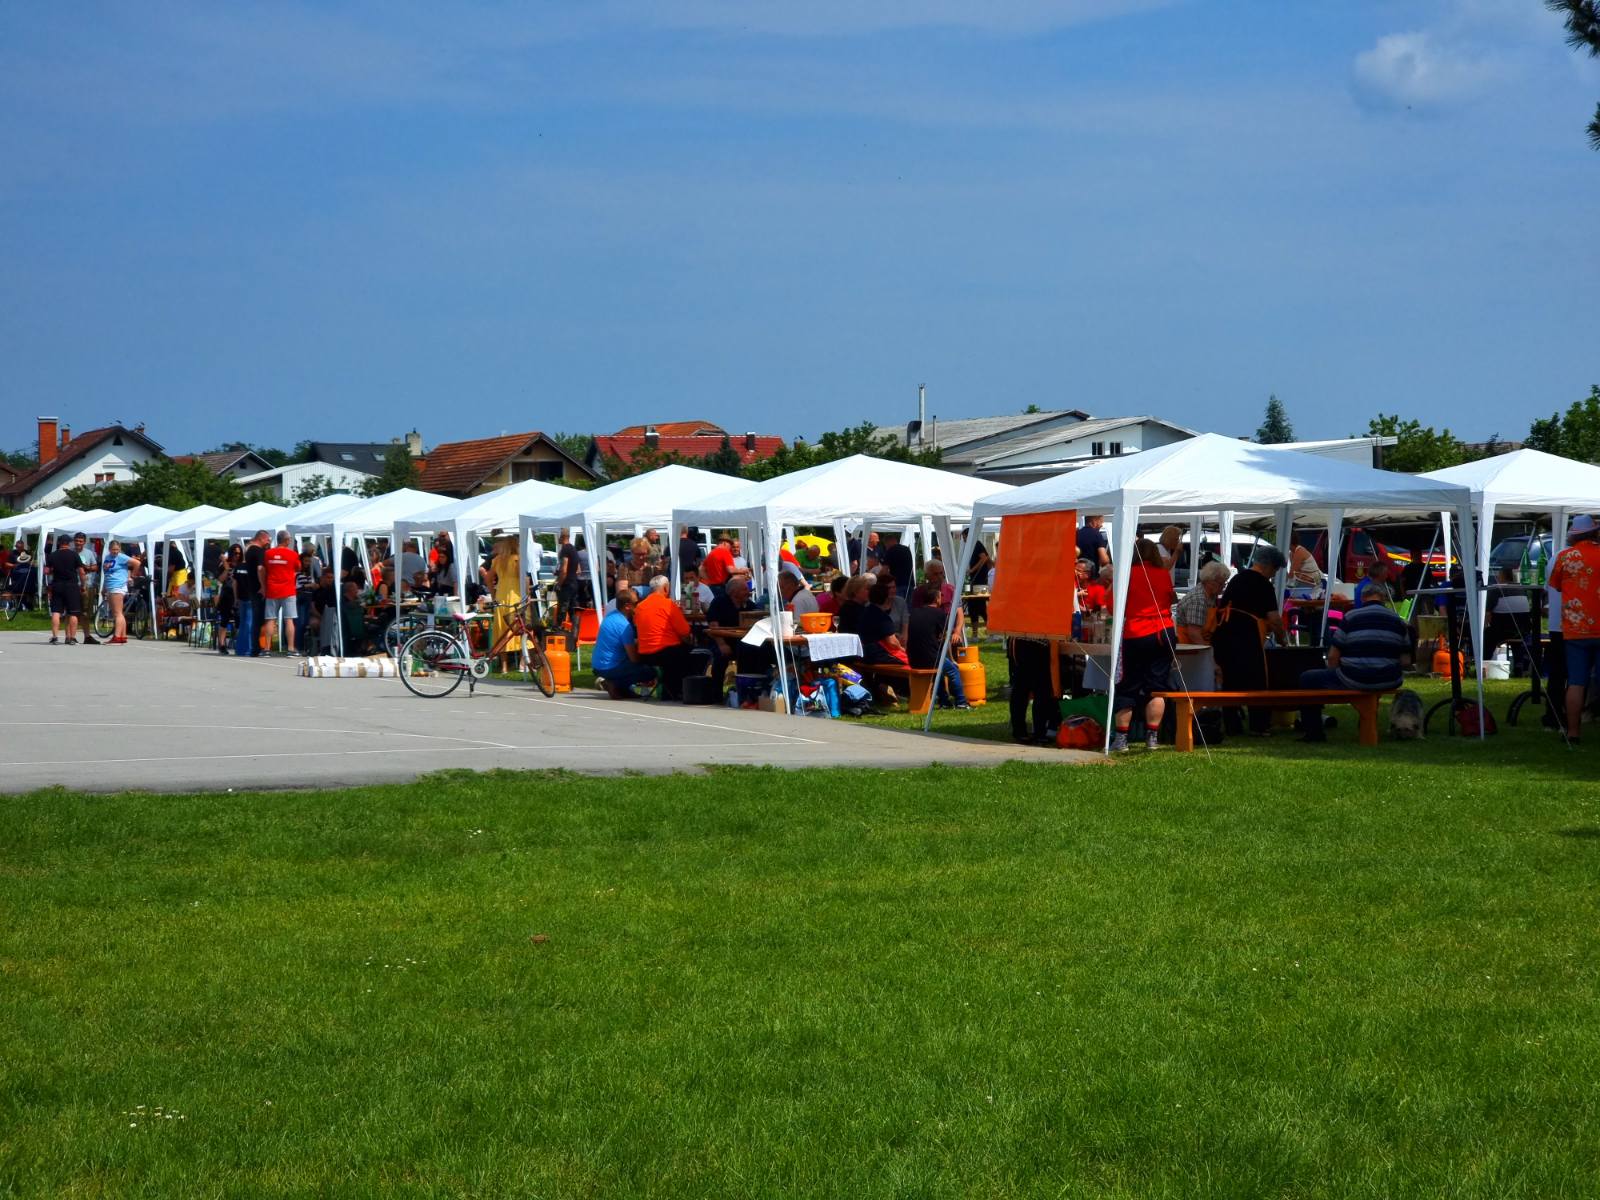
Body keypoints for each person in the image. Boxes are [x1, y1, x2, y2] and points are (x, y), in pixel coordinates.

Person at [1296, 602, 1413, 742]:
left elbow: (1333, 656)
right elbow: (1406, 661)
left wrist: (1335, 675)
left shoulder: (1351, 617)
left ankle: (1314, 733)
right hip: (1388, 679)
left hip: (1354, 677)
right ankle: (1367, 722)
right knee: (1373, 681)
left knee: (1308, 678)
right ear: (1383, 599)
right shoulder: (1398, 620)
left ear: (1363, 598)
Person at [1210, 543, 1287, 735]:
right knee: (1256, 680)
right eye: (1275, 570)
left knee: (1230, 680)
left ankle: (1232, 725)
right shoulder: (1263, 584)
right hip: (1247, 635)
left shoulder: (1237, 578)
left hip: (1224, 633)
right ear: (1269, 566)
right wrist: (1282, 638)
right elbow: (1274, 619)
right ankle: (1258, 725)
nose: (1273, 574)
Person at [1109, 539, 1178, 751]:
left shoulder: (1126, 575)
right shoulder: (1163, 574)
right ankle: (1152, 738)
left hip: (1137, 632)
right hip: (1163, 631)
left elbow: (1112, 606)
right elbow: (1171, 598)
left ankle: (1121, 740)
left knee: (1128, 686)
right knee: (1157, 687)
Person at [1548, 514, 1600, 743]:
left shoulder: (1564, 558)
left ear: (1573, 535)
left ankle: (1573, 732)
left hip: (1575, 628)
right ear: (1594, 532)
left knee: (1576, 682)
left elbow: (1556, 586)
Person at [907, 584, 969, 709]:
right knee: (953, 671)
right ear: (936, 599)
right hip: (930, 657)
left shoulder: (914, 612)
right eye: (940, 596)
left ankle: (944, 701)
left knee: (939, 672)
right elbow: (945, 639)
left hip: (912, 658)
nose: (942, 599)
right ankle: (961, 702)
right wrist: (951, 659)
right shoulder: (939, 614)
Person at [635, 575, 694, 699]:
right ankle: (683, 690)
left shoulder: (639, 607)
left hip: (644, 654)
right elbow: (685, 631)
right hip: (666, 653)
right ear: (666, 588)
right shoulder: (668, 604)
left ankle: (670, 691)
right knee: (692, 653)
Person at [593, 588, 657, 699]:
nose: (639, 604)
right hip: (610, 667)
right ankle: (615, 684)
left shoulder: (611, 616)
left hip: (598, 664)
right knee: (649, 672)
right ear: (627, 606)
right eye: (636, 603)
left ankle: (620, 688)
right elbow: (634, 658)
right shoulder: (624, 626)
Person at [260, 531, 301, 654]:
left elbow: (264, 568)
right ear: (287, 540)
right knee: (289, 619)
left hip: (272, 589)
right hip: (288, 590)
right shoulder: (293, 554)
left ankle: (266, 649)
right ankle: (290, 648)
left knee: (270, 619)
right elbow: (298, 568)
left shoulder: (268, 553)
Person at [487, 535, 523, 673]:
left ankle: (504, 666)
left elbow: (488, 578)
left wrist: (493, 594)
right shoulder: (517, 559)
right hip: (516, 595)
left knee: (502, 631)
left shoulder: (497, 560)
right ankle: (522, 663)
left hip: (501, 596)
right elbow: (522, 578)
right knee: (522, 629)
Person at [1175, 559, 1230, 645]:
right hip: (1189, 648)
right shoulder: (1198, 600)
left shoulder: (1211, 594)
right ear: (1210, 582)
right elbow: (1194, 634)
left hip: (1202, 641)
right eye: (1221, 583)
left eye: (1224, 583)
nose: (1223, 586)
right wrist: (1207, 652)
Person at [858, 578, 909, 667]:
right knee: (908, 662)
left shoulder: (865, 612)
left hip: (865, 653)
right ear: (886, 598)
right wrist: (902, 649)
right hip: (878, 654)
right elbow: (892, 642)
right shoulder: (883, 617)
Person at [101, 539, 142, 645]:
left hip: (117, 586)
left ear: (119, 549)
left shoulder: (121, 557)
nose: (115, 551)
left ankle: (117, 636)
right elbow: (106, 573)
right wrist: (104, 587)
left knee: (117, 613)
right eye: (113, 549)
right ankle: (123, 636)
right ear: (109, 549)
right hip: (110, 585)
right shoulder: (107, 558)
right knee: (119, 613)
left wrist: (132, 575)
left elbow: (137, 563)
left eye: (117, 549)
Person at [46, 534, 84, 645]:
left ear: (59, 543)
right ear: (69, 543)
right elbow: (81, 572)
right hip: (71, 585)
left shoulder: (52, 555)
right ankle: (71, 637)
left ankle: (55, 636)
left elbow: (47, 571)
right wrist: (83, 584)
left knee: (56, 612)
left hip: (57, 585)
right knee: (73, 612)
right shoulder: (74, 555)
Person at [234, 530, 268, 656]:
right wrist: (263, 586)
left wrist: (236, 598)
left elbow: (235, 582)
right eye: (267, 539)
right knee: (253, 621)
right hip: (254, 592)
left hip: (248, 593)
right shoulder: (258, 552)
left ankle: (243, 648)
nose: (268, 542)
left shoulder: (244, 560)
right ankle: (253, 648)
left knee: (246, 622)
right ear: (261, 538)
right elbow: (260, 569)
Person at [214, 544, 240, 653]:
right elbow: (219, 580)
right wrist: (226, 569)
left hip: (238, 595)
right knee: (225, 620)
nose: (237, 555)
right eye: (235, 553)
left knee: (239, 620)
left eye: (239, 553)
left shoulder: (241, 565)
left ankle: (239, 643)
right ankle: (222, 644)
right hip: (226, 595)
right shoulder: (224, 564)